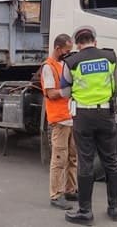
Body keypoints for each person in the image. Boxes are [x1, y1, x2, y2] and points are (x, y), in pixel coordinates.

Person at [60, 26, 117, 225]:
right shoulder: (110, 58)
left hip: (83, 116)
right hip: (106, 114)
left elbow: (63, 93)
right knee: (111, 161)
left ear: (78, 44)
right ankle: (115, 208)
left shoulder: (71, 61)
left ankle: (85, 212)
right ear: (94, 41)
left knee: (86, 161)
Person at [41, 34, 78, 210]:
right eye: (66, 50)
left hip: (70, 117)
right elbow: (51, 93)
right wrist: (69, 91)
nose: (68, 53)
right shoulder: (48, 67)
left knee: (72, 157)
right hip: (59, 120)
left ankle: (70, 190)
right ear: (58, 48)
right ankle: (56, 195)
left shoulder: (63, 65)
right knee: (59, 159)